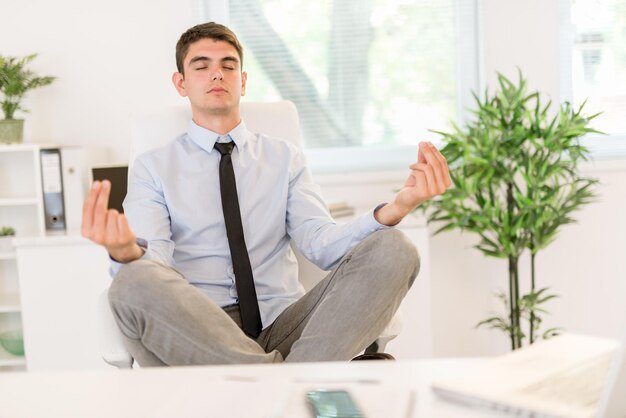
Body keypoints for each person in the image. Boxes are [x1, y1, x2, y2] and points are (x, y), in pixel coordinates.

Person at [81, 22, 451, 366]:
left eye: (228, 65)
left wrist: (397, 207)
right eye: (201, 65)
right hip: (198, 330)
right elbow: (155, 259)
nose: (216, 73)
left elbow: (321, 244)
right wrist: (126, 251)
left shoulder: (284, 157)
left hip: (284, 327)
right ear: (181, 83)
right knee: (132, 281)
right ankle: (289, 380)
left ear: (242, 81)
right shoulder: (153, 167)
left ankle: (270, 380)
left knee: (396, 247)